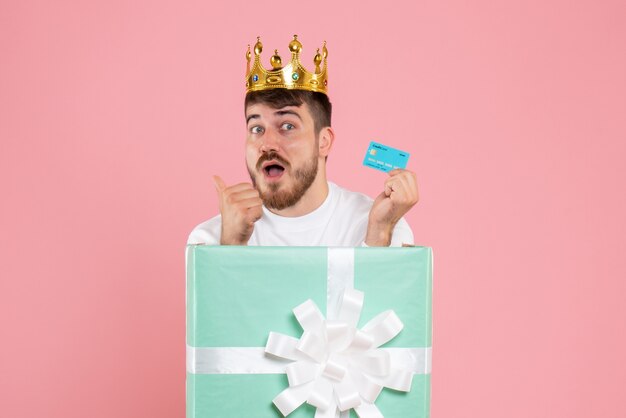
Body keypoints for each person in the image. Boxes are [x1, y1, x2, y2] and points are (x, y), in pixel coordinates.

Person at [188, 35, 419, 247]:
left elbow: (385, 293)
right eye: (256, 128)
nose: (266, 143)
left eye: (288, 126)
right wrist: (231, 247)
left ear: (324, 141)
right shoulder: (211, 239)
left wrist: (378, 235)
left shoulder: (382, 223)